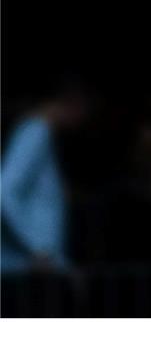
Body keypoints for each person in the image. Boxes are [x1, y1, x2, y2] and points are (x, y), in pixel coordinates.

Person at [1, 79, 91, 272]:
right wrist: (38, 249)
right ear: (74, 102)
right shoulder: (36, 131)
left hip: (32, 267)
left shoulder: (41, 133)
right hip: (25, 268)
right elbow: (4, 192)